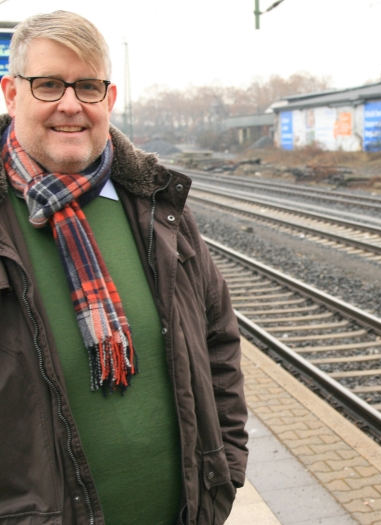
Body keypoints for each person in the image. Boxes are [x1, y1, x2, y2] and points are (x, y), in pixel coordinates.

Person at [0, 11, 248, 525]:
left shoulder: (159, 207)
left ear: (108, 100)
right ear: (11, 92)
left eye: (87, 86)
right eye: (48, 85)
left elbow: (218, 342)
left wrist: (225, 468)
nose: (70, 104)